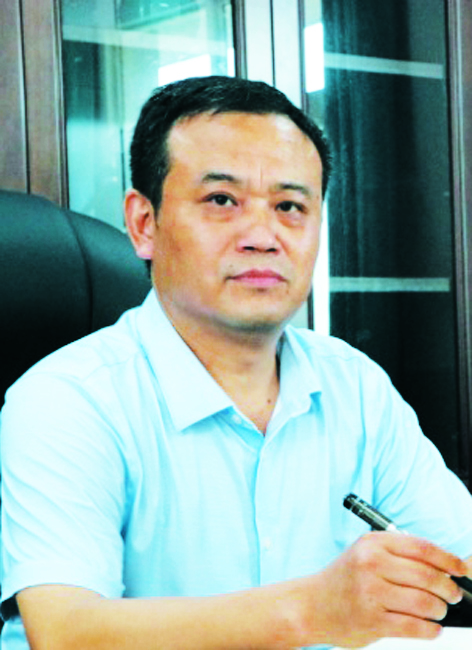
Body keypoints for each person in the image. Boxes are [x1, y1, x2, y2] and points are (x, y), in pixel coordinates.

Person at [1, 75, 472, 650]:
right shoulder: (67, 399)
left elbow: (460, 558)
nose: (263, 236)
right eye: (222, 201)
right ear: (144, 223)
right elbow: (65, 633)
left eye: (290, 206)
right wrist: (313, 610)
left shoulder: (354, 384)